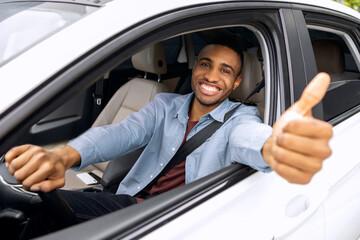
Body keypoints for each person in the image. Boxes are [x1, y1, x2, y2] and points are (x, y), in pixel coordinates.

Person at [4, 37, 332, 237]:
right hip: (133, 203)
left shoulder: (241, 119)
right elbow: (121, 133)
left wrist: (276, 146)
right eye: (206, 64)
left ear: (235, 84)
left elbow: (252, 139)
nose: (211, 76)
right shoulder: (165, 104)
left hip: (181, 219)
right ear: (194, 69)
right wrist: (64, 156)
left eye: (225, 71)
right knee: (36, 210)